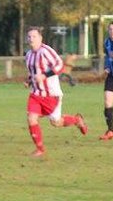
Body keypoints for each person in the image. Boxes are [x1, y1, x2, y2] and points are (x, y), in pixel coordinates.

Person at [24, 26, 86, 157]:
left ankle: (76, 120)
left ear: (40, 38)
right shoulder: (28, 55)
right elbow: (33, 73)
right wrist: (28, 80)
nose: (31, 39)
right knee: (31, 118)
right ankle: (40, 149)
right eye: (29, 36)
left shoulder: (46, 51)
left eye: (34, 36)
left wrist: (44, 76)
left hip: (52, 95)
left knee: (56, 122)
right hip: (35, 94)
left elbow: (59, 66)